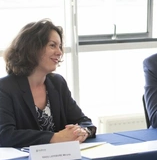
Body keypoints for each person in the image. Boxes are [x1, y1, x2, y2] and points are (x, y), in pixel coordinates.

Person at [0, 19, 96, 148]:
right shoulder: (5, 87)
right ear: (32, 48)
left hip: (59, 158)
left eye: (59, 46)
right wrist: (54, 137)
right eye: (52, 45)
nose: (59, 52)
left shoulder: (58, 83)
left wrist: (82, 131)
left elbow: (84, 122)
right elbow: (5, 135)